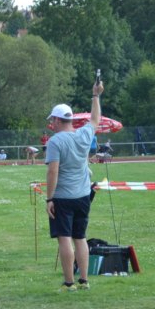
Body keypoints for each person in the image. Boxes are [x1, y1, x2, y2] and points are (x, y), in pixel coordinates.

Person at [44, 76, 104, 293]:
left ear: (58, 120)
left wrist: (49, 198)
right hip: (83, 195)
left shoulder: (55, 142)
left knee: (64, 239)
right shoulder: (84, 135)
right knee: (81, 238)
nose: (51, 124)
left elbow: (53, 171)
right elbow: (95, 119)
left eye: (52, 121)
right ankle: (84, 280)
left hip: (63, 197)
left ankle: (69, 283)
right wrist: (96, 95)